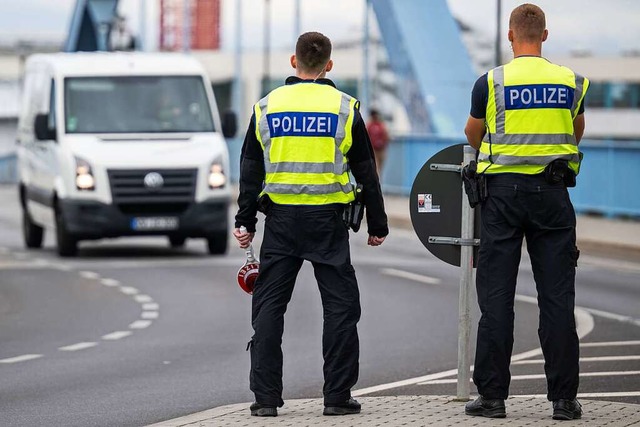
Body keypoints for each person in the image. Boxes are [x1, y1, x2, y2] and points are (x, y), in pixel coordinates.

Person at [233, 31, 388, 418]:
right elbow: (367, 172)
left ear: (293, 62)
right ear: (329, 66)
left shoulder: (266, 107)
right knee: (340, 308)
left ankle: (265, 399)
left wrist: (245, 219)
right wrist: (377, 223)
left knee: (269, 308)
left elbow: (250, 170)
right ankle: (337, 397)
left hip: (281, 220)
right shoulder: (344, 107)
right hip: (328, 222)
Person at [463, 3, 589, 421]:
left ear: (510, 37)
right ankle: (564, 401)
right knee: (557, 299)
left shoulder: (492, 82)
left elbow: (472, 132)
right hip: (553, 195)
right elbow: (576, 128)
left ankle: (493, 398)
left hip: (501, 195)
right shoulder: (571, 81)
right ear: (545, 36)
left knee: (496, 297)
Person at [366, 109, 390, 178]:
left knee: (379, 168)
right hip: (374, 149)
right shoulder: (370, 125)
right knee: (376, 167)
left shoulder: (380, 125)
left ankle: (378, 182)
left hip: (380, 149)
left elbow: (386, 136)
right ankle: (376, 181)